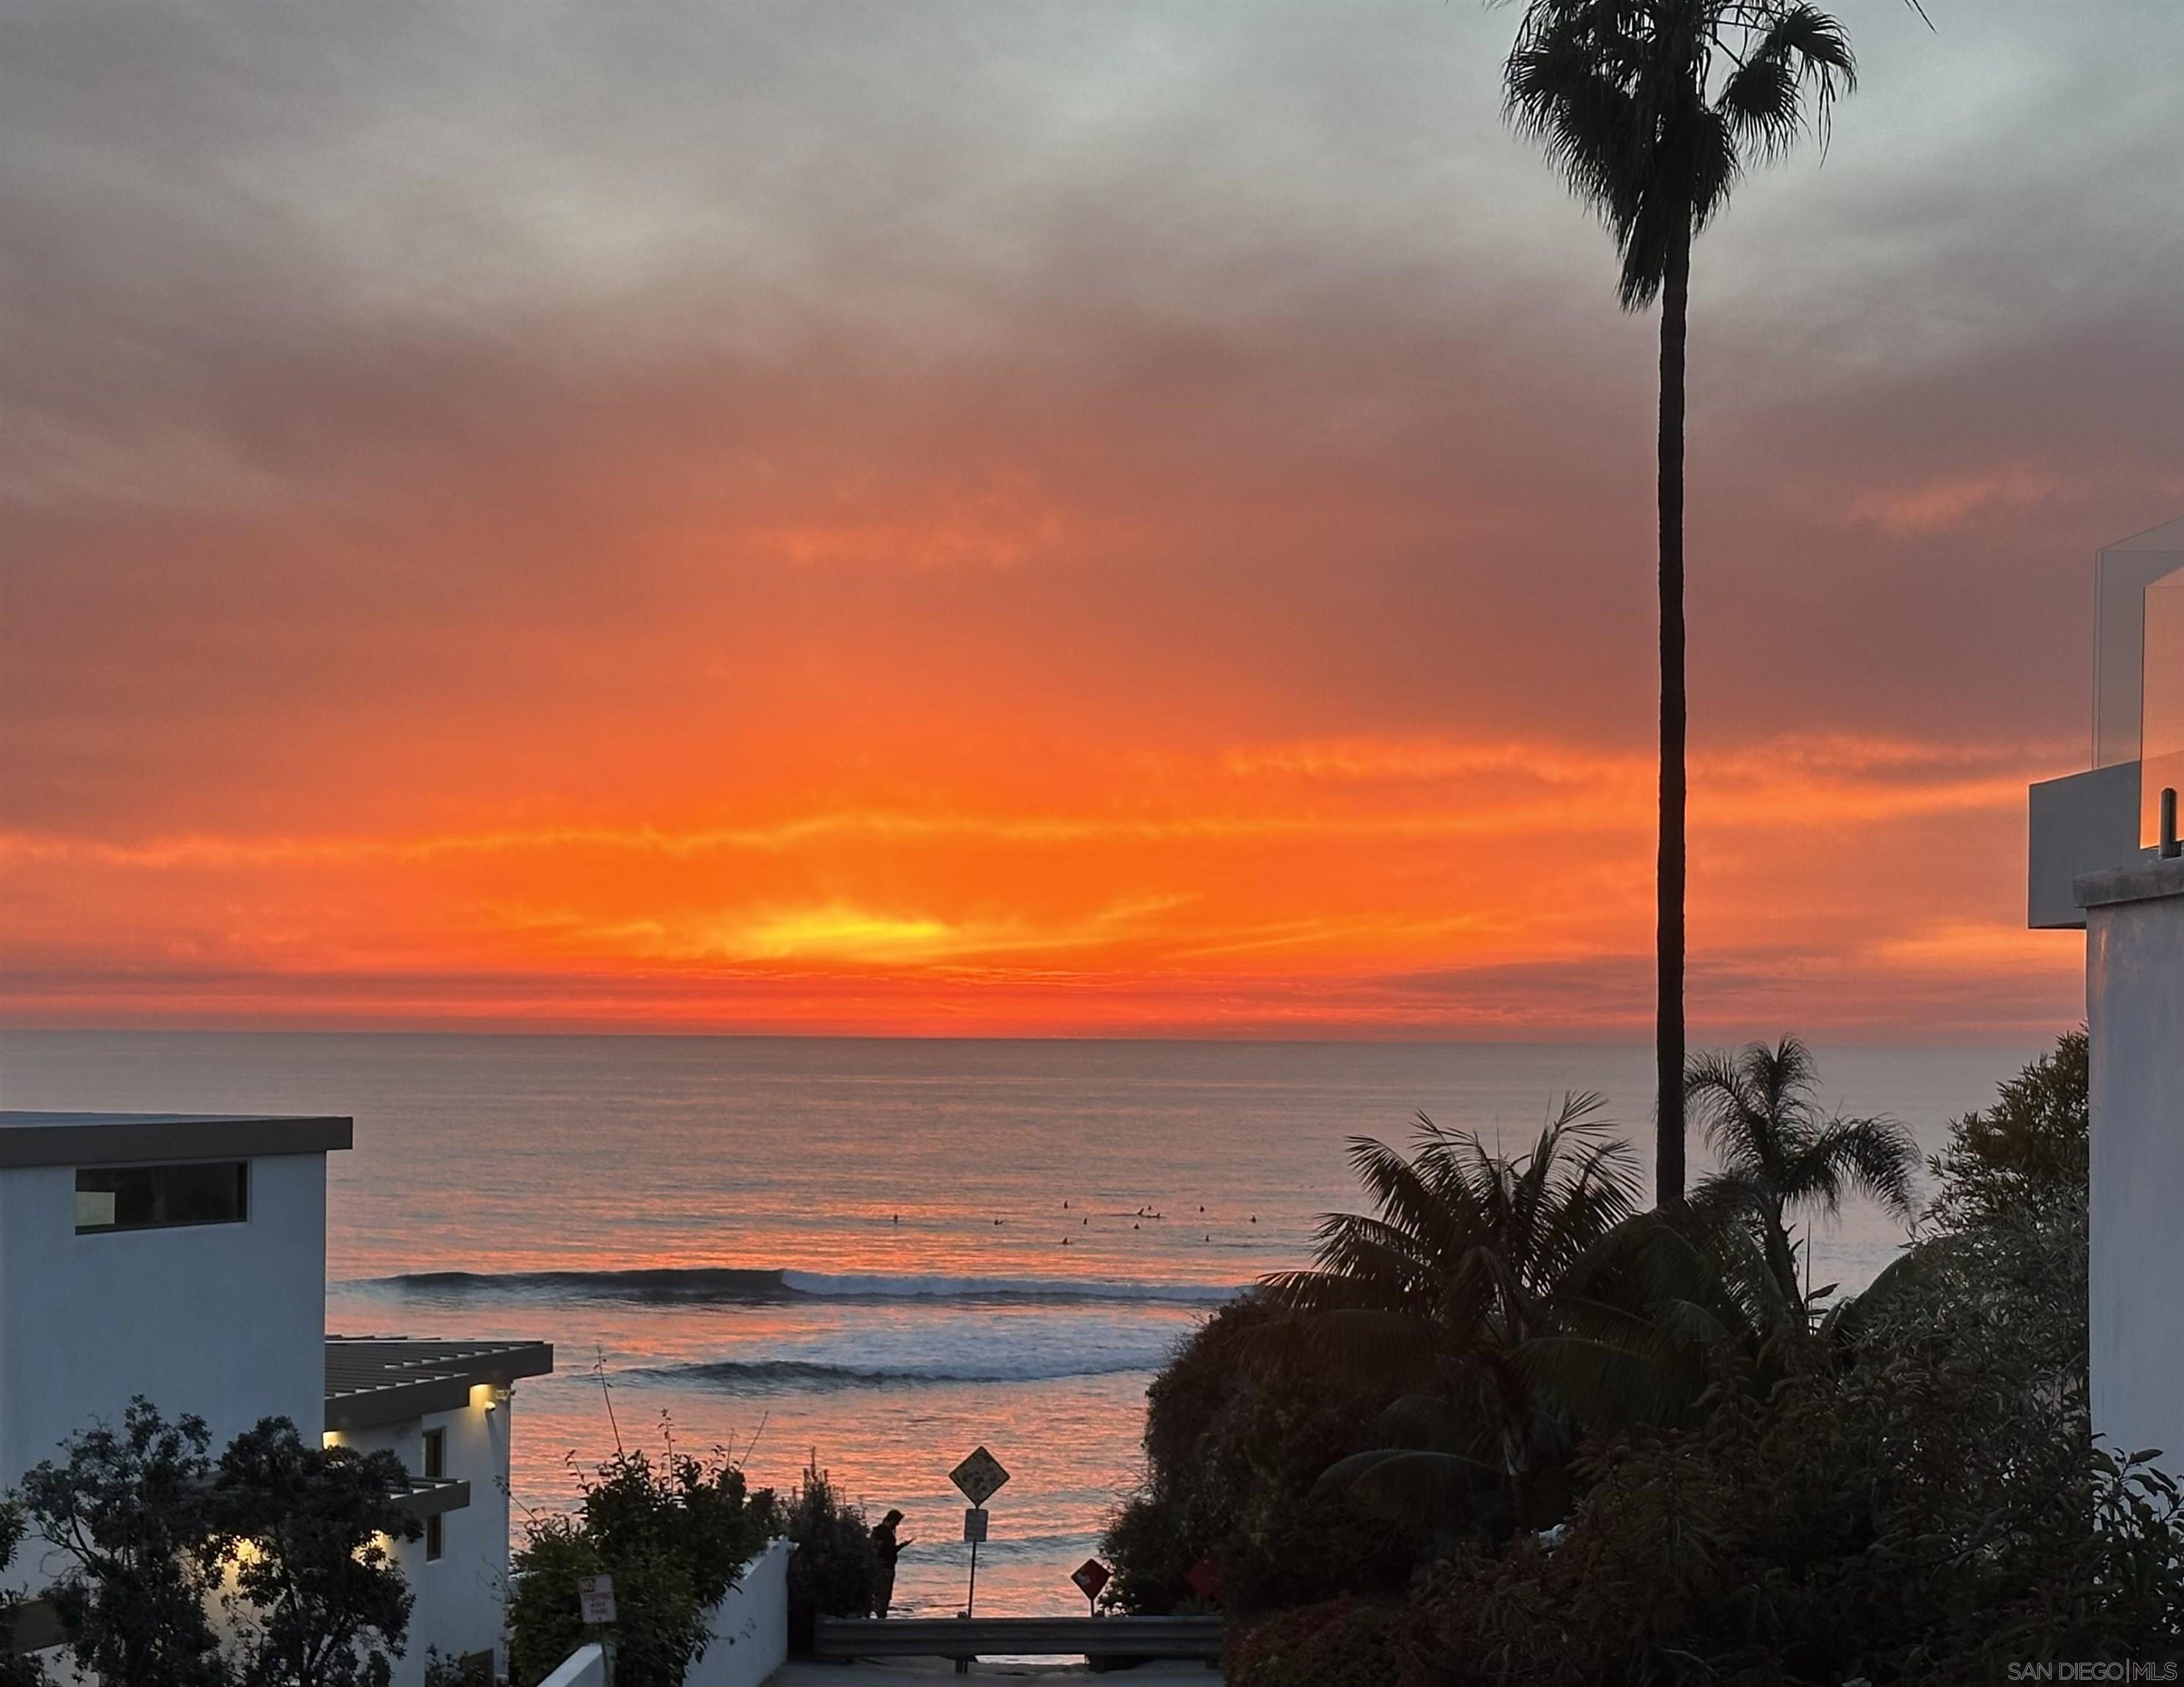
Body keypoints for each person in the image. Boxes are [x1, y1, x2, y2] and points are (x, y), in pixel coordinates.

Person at [870, 1510, 912, 1617]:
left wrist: (900, 1546)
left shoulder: (882, 1531)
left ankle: (879, 1613)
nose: (898, 1524)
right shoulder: (884, 1532)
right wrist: (900, 1547)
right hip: (885, 1566)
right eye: (897, 1521)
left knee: (880, 1593)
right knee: (883, 1593)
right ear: (893, 1520)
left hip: (884, 1565)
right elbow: (885, 1550)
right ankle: (881, 1616)